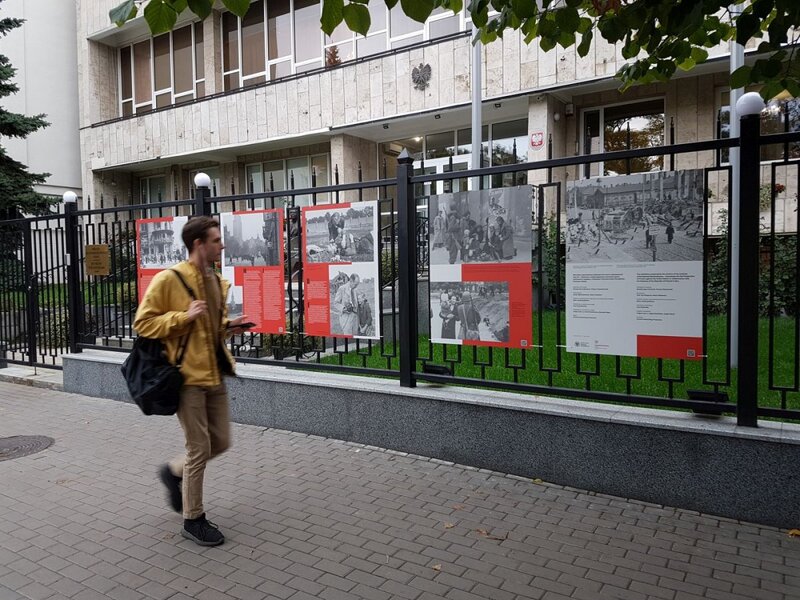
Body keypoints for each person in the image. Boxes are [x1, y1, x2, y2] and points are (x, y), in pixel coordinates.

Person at [133, 216, 251, 547]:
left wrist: (229, 326)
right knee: (198, 448)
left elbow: (209, 328)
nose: (221, 245)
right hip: (186, 377)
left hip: (214, 373)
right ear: (198, 244)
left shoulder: (214, 280)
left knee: (222, 442)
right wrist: (183, 317)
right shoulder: (168, 280)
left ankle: (173, 471)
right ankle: (193, 518)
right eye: (215, 240)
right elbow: (143, 324)